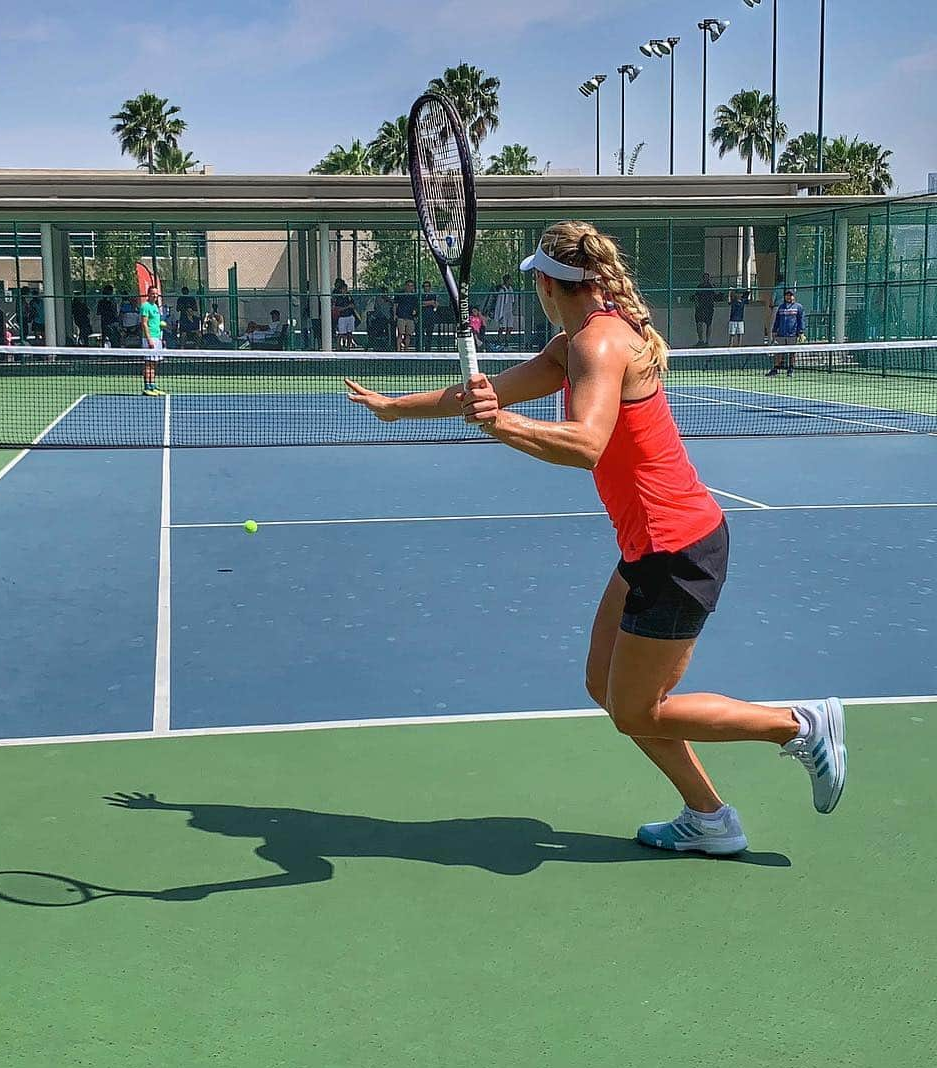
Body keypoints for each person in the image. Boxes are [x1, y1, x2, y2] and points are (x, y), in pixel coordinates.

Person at [346, 219, 847, 855]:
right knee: (603, 685)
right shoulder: (576, 342)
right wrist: (397, 408)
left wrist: (502, 426)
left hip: (677, 547)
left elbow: (586, 444)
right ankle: (710, 819)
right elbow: (484, 393)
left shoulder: (599, 347)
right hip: (654, 545)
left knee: (639, 707)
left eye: (538, 284)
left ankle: (797, 725)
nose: (537, 294)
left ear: (552, 286)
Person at [766, 288, 806, 376]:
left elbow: (801, 320)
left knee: (792, 353)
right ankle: (775, 369)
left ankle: (791, 369)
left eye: (790, 295)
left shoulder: (798, 307)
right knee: (779, 352)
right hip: (781, 334)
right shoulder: (781, 307)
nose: (788, 297)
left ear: (793, 297)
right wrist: (774, 331)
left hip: (792, 334)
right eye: (787, 295)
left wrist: (801, 332)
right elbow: (777, 320)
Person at [138, 284, 164, 395]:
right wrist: (149, 339)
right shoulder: (145, 306)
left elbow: (156, 323)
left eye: (156, 294)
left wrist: (160, 338)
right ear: (148, 294)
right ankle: (147, 387)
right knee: (148, 363)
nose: (155, 295)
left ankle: (152, 385)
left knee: (154, 363)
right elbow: (144, 323)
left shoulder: (155, 307)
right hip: (149, 338)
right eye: (153, 293)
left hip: (157, 338)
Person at [691, 273, 719, 347]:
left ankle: (707, 341)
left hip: (709, 308)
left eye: (707, 278)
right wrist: (697, 305)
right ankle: (700, 340)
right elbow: (696, 296)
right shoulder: (699, 287)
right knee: (699, 324)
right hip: (700, 308)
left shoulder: (711, 287)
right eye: (704, 278)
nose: (706, 279)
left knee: (709, 324)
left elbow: (715, 295)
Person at [332, 280, 357, 350]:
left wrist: (352, 306)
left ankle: (348, 347)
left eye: (346, 289)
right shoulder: (338, 298)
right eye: (343, 289)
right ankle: (338, 346)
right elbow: (337, 308)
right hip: (342, 317)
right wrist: (347, 307)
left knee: (349, 333)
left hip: (350, 316)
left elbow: (353, 305)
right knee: (341, 333)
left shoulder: (349, 297)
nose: (345, 290)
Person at [494, 274, 517, 348]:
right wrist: (500, 314)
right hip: (503, 311)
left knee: (510, 327)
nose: (511, 281)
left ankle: (507, 342)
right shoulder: (502, 290)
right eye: (510, 279)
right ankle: (499, 341)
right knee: (502, 327)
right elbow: (500, 303)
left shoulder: (510, 288)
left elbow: (512, 300)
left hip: (509, 310)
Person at [394, 280, 417, 351]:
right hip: (401, 317)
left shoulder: (414, 296)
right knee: (400, 334)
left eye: (411, 286)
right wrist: (395, 314)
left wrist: (415, 312)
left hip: (410, 318)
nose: (410, 287)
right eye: (408, 285)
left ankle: (406, 349)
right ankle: (398, 349)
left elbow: (416, 306)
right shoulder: (400, 295)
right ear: (405, 286)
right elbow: (395, 305)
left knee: (408, 335)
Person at [420, 279, 438, 350]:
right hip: (422, 316)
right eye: (424, 286)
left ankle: (428, 348)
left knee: (429, 333)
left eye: (427, 286)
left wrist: (427, 303)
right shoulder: (421, 295)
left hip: (430, 316)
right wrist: (429, 303)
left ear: (430, 287)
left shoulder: (433, 295)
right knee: (421, 333)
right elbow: (420, 303)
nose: (426, 287)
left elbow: (435, 303)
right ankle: (421, 348)